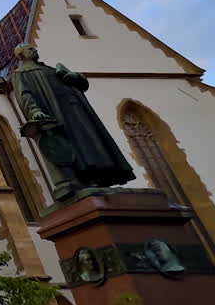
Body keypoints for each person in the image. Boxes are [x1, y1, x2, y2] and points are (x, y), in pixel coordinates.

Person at [12, 43, 136, 201]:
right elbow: (24, 95)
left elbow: (81, 85)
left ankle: (101, 176)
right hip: (58, 114)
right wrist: (34, 110)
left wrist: (75, 76)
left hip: (76, 111)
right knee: (74, 147)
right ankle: (83, 179)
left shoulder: (51, 69)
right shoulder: (21, 73)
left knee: (91, 143)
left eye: (34, 48)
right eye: (30, 49)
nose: (35, 50)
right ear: (21, 55)